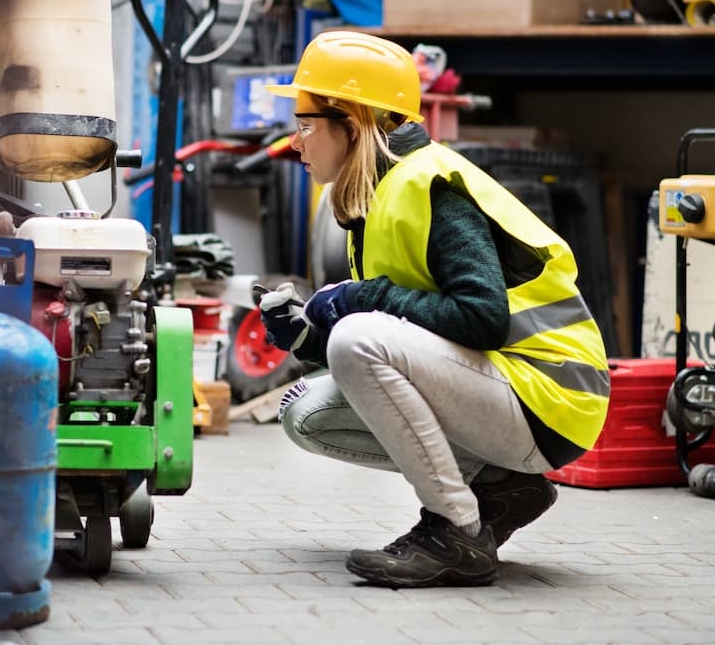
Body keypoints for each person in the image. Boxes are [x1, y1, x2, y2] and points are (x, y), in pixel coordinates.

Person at [259, 31, 610, 588]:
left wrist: (354, 301)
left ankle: (456, 533)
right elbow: (406, 349)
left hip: (549, 398)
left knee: (356, 336)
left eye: (305, 125)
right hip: (501, 387)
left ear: (352, 125)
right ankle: (500, 488)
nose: (294, 143)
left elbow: (480, 318)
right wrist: (305, 338)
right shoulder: (375, 196)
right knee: (305, 411)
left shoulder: (431, 186)